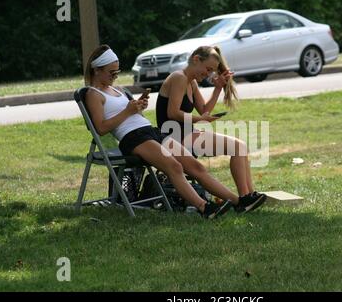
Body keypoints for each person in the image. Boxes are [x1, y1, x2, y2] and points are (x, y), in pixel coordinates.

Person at [84, 44, 240, 219]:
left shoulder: (117, 90)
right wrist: (128, 111)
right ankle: (204, 207)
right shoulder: (93, 94)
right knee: (174, 166)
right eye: (111, 73)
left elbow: (130, 114)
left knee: (195, 166)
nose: (115, 77)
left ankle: (238, 202)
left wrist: (137, 107)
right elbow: (101, 128)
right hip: (133, 138)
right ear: (96, 70)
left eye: (117, 73)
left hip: (151, 131)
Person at [156, 45, 266, 213]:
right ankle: (245, 199)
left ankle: (249, 195)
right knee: (237, 147)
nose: (208, 74)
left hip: (186, 132)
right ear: (196, 59)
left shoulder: (191, 82)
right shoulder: (179, 77)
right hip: (173, 134)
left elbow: (204, 109)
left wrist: (218, 88)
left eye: (211, 72)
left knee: (240, 146)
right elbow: (172, 113)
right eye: (207, 69)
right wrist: (201, 119)